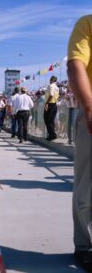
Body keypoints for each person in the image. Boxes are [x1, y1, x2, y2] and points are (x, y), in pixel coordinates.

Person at [67, 14, 92, 270]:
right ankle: (84, 245)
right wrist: (89, 107)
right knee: (86, 190)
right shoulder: (87, 24)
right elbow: (76, 66)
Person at [45, 75, 60, 141]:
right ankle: (52, 134)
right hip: (54, 104)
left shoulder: (51, 86)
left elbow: (51, 94)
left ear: (51, 80)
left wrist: (46, 103)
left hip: (50, 104)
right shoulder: (57, 87)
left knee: (47, 120)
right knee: (51, 120)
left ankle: (52, 135)